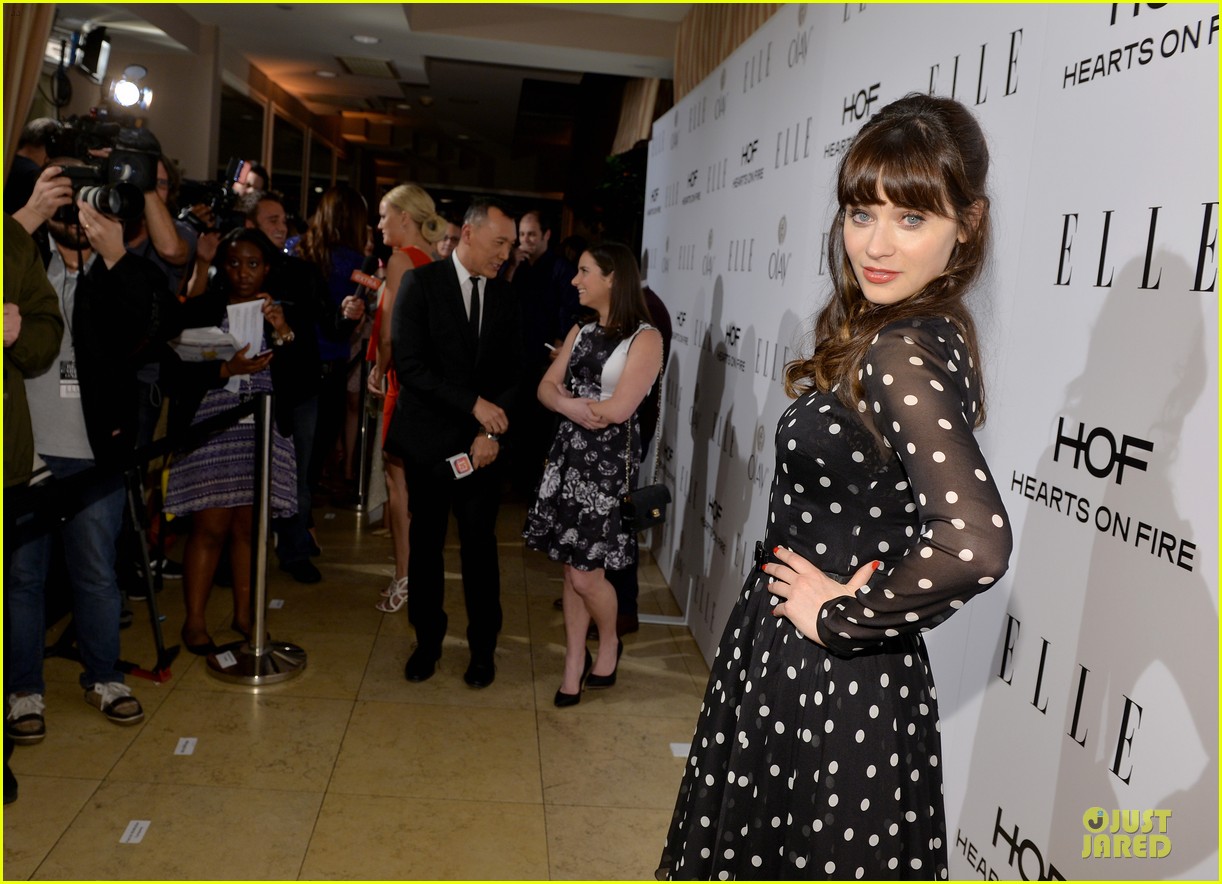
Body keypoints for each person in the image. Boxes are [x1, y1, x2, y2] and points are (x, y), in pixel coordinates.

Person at [655, 93, 1014, 880]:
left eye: (911, 218)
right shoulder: (920, 329)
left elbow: (977, 543)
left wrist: (845, 619)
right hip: (829, 670)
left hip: (828, 680)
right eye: (861, 212)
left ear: (969, 224)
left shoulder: (899, 353)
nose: (876, 244)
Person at [7, 190, 178, 737]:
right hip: (26, 452)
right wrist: (26, 215)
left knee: (96, 573)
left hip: (94, 454)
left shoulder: (123, 270)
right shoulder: (24, 263)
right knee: (22, 579)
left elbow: (155, 327)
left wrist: (116, 257)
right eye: (62, 201)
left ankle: (104, 677)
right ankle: (23, 690)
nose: (72, 214)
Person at [385, 197, 522, 688]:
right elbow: (412, 366)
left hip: (482, 449)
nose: (506, 253)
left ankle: (483, 649)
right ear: (468, 233)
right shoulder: (422, 285)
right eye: (499, 242)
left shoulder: (506, 296)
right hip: (428, 443)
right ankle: (427, 641)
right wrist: (474, 406)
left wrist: (488, 431)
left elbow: (515, 374)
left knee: (481, 550)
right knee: (425, 545)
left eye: (510, 244)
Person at [522, 242, 663, 707]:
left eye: (584, 272)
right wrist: (569, 405)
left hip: (605, 469)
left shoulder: (646, 338)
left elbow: (621, 409)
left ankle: (609, 639)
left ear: (612, 278)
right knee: (570, 568)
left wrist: (576, 407)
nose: (574, 280)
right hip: (567, 459)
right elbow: (545, 388)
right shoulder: (581, 329)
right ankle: (572, 663)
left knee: (585, 576)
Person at [161, 229, 308, 653]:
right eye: (234, 263)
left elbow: (300, 381)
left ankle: (246, 615)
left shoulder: (280, 310)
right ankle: (194, 622)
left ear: (267, 267)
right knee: (210, 527)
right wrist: (227, 369)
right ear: (222, 266)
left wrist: (282, 330)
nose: (242, 272)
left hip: (262, 429)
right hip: (213, 426)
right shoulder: (204, 307)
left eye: (252, 263)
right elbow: (175, 372)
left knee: (249, 528)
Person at [366, 183, 446, 612]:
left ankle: (405, 578)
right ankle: (414, 576)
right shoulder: (432, 261)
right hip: (422, 385)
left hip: (400, 381)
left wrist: (380, 367)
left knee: (399, 487)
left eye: (383, 216)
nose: (379, 224)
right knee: (410, 486)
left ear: (404, 217)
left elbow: (391, 329)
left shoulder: (400, 259)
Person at [4, 215, 65, 769]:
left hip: (9, 461)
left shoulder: (9, 237)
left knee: (18, 584)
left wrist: (20, 332)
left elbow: (48, 325)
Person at [293, 185, 368, 500]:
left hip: (294, 363)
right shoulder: (355, 263)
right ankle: (301, 527)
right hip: (330, 366)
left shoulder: (296, 250)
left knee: (291, 454)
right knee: (313, 456)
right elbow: (349, 323)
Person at [503, 209, 581, 497]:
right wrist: (511, 267)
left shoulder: (562, 269)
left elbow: (572, 310)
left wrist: (563, 344)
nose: (526, 240)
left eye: (531, 234)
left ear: (547, 235)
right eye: (522, 235)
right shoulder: (515, 266)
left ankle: (535, 487)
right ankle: (515, 482)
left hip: (546, 362)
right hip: (515, 359)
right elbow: (502, 302)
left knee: (539, 427)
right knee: (515, 421)